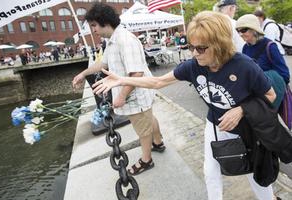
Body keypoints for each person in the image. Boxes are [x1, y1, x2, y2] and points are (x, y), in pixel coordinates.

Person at [92, 11, 280, 200]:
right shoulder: (193, 66)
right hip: (215, 125)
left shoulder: (244, 66)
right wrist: (120, 80)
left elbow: (270, 95)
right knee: (210, 171)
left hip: (247, 128)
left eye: (201, 48)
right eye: (191, 47)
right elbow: (158, 82)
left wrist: (240, 110)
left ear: (219, 44)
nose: (194, 53)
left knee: (255, 172)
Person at [72, 3, 165, 176]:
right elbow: (103, 64)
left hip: (136, 95)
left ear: (105, 22)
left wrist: (121, 96)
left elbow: (136, 74)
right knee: (149, 118)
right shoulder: (113, 40)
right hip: (139, 95)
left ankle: (147, 160)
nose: (93, 30)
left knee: (143, 130)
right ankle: (158, 143)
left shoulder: (124, 40)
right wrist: (83, 73)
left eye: (94, 25)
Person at [236, 14, 290, 109]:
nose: (240, 34)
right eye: (238, 31)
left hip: (269, 94)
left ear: (254, 29)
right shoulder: (245, 47)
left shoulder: (270, 46)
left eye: (243, 30)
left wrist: (276, 90)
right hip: (253, 93)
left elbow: (284, 74)